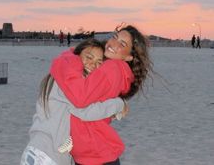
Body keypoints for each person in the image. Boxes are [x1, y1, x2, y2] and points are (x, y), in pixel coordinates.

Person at [50, 24, 153, 164]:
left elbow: (79, 98)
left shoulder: (112, 68)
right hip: (93, 153)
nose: (113, 44)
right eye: (115, 37)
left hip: (96, 155)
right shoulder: (112, 68)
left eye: (122, 44)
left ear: (129, 57)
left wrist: (66, 59)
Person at [20, 39, 128, 165]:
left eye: (99, 62)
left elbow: (87, 111)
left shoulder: (63, 76)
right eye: (88, 57)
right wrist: (118, 105)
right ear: (77, 56)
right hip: (47, 153)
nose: (92, 64)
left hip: (40, 149)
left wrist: (114, 112)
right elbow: (84, 111)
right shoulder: (68, 81)